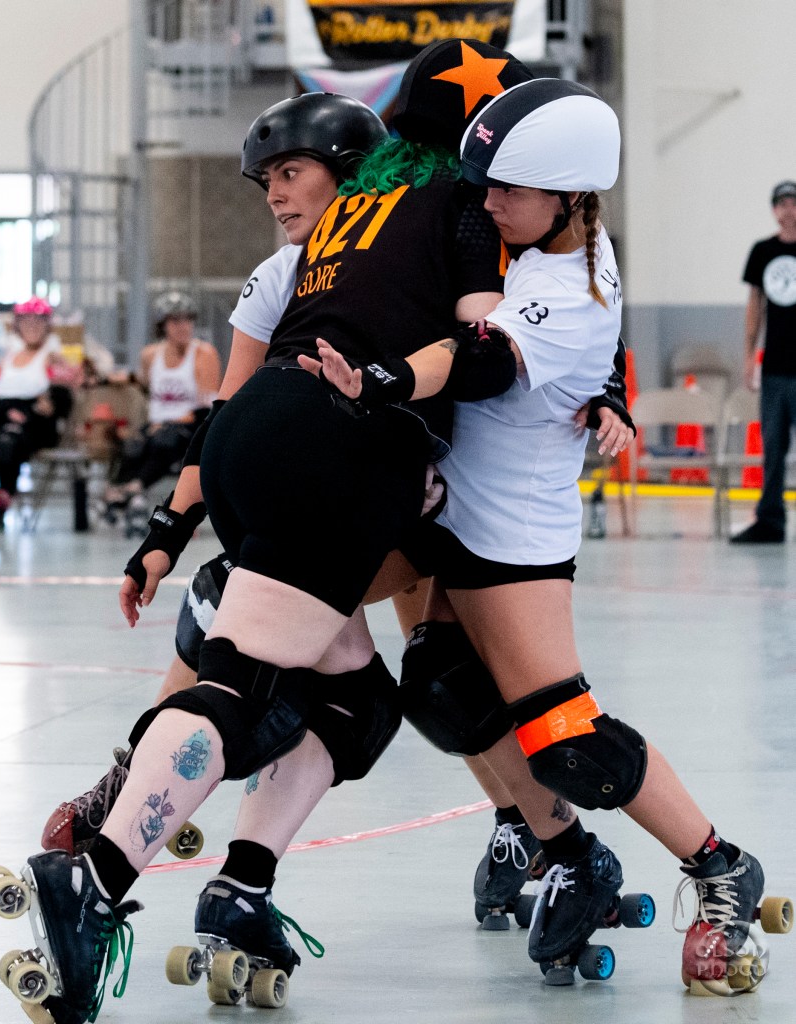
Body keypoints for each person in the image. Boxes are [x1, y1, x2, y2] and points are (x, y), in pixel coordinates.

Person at [0, 78, 630, 1023]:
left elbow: (232, 405)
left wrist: (167, 530)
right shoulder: (459, 213)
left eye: (290, 173)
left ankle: (243, 883)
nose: (279, 195)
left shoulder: (323, 247)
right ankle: (98, 874)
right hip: (340, 455)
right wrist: (598, 380)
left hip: (264, 446)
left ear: (354, 168)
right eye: (271, 180)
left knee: (356, 703)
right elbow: (500, 336)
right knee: (242, 687)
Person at [315, 78, 779, 990]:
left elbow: (483, 364)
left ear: (568, 196)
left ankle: (720, 865)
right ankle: (554, 844)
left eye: (508, 191)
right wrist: (602, 390)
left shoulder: (571, 288)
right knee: (443, 692)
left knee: (567, 736)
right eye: (486, 186)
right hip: (454, 515)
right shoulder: (547, 245)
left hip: (513, 537)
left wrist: (380, 380)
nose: (487, 203)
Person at [100, 291, 221, 527]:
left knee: (163, 441)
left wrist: (167, 424)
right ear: (163, 325)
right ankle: (126, 495)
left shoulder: (203, 354)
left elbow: (207, 405)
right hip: (156, 424)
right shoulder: (150, 354)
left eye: (187, 320)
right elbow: (143, 382)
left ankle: (130, 491)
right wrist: (108, 379)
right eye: (175, 321)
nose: (183, 326)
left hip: (191, 425)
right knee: (132, 445)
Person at [0, 297, 78, 524]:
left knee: (7, 438)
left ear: (47, 325)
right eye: (27, 322)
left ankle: (3, 495)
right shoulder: (9, 356)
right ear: (17, 325)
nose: (32, 327)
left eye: (38, 322)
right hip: (0, 415)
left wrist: (44, 405)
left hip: (33, 423)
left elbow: (62, 397)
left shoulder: (52, 356)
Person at [730, 179, 796, 544]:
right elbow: (755, 306)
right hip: (775, 369)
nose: (789, 210)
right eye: (782, 204)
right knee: (773, 447)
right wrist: (748, 358)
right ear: (774, 210)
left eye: (794, 203)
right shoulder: (763, 251)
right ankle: (770, 520)